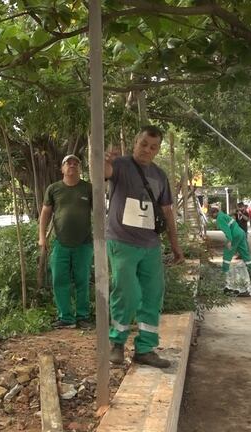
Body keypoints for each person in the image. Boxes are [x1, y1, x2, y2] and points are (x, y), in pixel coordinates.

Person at [105, 125, 183, 369]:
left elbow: (167, 210)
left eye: (153, 147)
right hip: (122, 241)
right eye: (143, 144)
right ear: (135, 142)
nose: (147, 150)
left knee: (152, 295)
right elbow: (103, 172)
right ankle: (117, 343)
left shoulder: (159, 176)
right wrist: (103, 159)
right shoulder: (121, 165)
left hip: (150, 244)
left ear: (158, 150)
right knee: (126, 292)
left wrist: (174, 243)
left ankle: (145, 348)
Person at [38, 154, 94, 330]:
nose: (72, 165)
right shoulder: (54, 189)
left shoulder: (89, 188)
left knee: (82, 279)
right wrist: (42, 237)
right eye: (68, 163)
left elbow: (100, 212)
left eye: (76, 163)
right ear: (62, 169)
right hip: (60, 242)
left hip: (84, 243)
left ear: (79, 168)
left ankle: (83, 317)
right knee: (59, 279)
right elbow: (46, 213)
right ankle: (66, 317)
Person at [208, 207, 251, 277]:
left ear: (215, 213)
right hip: (241, 232)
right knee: (244, 252)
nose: (211, 217)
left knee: (228, 252)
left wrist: (229, 240)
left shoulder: (220, 219)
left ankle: (224, 271)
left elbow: (227, 230)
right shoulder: (223, 215)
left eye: (211, 215)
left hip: (234, 235)